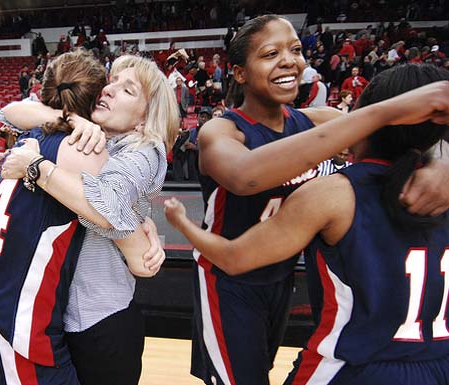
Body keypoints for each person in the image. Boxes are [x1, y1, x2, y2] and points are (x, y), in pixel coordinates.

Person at [188, 15, 449, 385]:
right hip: (230, 281)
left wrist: (442, 161)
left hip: (282, 276)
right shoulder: (222, 130)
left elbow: (402, 133)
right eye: (270, 53)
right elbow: (245, 176)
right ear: (239, 73)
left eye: (295, 50)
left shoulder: (320, 121)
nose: (288, 60)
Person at [0, 50, 165, 385]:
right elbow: (130, 243)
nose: (112, 91)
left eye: (126, 88)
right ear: (96, 94)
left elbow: (11, 111)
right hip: (16, 322)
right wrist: (144, 236)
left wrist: (142, 217)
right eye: (111, 83)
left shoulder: (32, 134)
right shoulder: (85, 149)